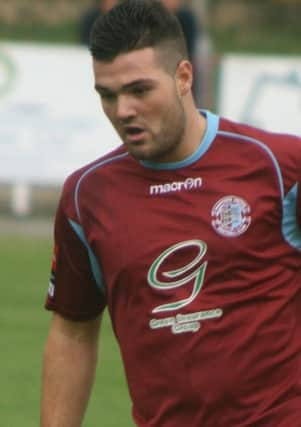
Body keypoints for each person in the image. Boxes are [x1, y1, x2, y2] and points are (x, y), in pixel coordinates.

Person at [41, 1, 301, 426]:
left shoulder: (280, 167)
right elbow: (72, 331)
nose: (122, 110)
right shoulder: (86, 197)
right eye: (108, 95)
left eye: (139, 90)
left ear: (183, 76)